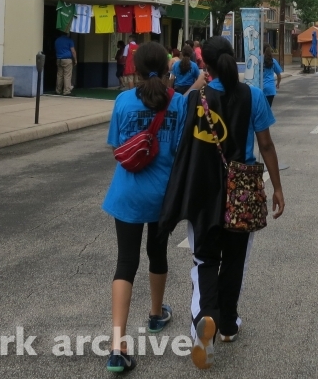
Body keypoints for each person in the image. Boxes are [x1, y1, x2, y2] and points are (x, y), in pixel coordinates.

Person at [159, 36, 285, 370]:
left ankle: (205, 319)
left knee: (204, 261)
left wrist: (196, 86)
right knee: (235, 260)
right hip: (241, 189)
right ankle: (228, 324)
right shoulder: (253, 95)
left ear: (206, 65)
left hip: (203, 191)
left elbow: (179, 142)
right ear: (233, 60)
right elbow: (267, 145)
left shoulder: (195, 99)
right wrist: (277, 188)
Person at [103, 42, 198, 373]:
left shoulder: (123, 101)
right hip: (163, 197)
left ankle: (117, 344)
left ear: (136, 70)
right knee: (157, 254)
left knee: (125, 262)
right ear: (168, 69)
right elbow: (186, 148)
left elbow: (117, 146)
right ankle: (156, 315)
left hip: (127, 194)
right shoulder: (179, 104)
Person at [54, 30, 77, 95]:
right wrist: (75, 60)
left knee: (59, 75)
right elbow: (73, 51)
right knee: (67, 75)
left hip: (59, 59)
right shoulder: (69, 40)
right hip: (67, 59)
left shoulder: (57, 40)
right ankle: (66, 91)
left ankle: (58, 90)